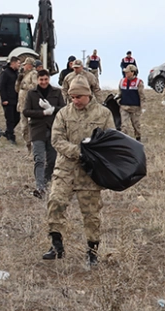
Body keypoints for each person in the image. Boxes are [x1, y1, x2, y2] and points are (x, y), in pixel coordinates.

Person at [44, 76, 114, 265]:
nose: (75, 101)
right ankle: (56, 246)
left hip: (90, 173)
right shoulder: (64, 114)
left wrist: (94, 156)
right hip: (65, 169)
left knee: (91, 214)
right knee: (55, 203)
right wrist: (79, 152)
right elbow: (56, 140)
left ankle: (92, 251)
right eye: (72, 97)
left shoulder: (103, 114)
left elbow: (111, 140)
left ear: (88, 95)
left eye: (78, 97)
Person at [23, 69, 65, 199]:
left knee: (52, 160)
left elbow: (64, 110)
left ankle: (46, 181)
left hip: (53, 130)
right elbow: (26, 111)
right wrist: (42, 113)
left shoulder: (57, 92)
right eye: (41, 80)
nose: (43, 82)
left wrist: (52, 109)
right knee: (39, 159)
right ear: (37, 80)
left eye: (46, 79)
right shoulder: (31, 93)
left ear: (49, 79)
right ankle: (40, 187)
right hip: (37, 130)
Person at [118, 65, 146, 141]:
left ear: (133, 72)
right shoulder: (122, 81)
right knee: (124, 126)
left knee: (136, 125)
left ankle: (138, 139)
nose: (126, 73)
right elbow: (120, 93)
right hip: (124, 106)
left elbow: (142, 96)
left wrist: (143, 107)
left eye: (127, 72)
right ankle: (124, 141)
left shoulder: (138, 82)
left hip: (135, 107)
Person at [17, 57, 39, 152]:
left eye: (25, 65)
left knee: (31, 127)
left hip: (30, 105)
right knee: (24, 128)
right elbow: (18, 90)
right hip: (22, 105)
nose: (23, 66)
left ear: (29, 65)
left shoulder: (34, 74)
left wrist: (25, 86)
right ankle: (28, 146)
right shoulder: (24, 75)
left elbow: (36, 86)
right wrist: (18, 81)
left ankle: (33, 149)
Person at [0, 56, 20, 144]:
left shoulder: (17, 73)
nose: (19, 65)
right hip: (8, 101)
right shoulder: (5, 73)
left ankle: (7, 132)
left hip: (16, 100)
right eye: (18, 63)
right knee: (10, 119)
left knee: (17, 118)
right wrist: (4, 99)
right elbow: (1, 86)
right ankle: (11, 137)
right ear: (13, 63)